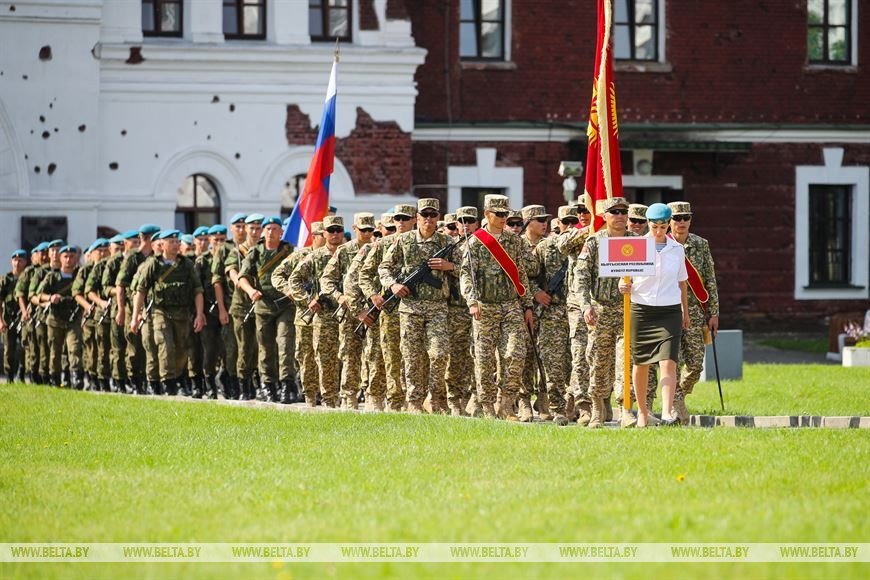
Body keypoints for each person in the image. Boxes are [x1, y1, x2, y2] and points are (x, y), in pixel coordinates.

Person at [460, 194, 534, 420]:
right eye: (499, 214)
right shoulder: (475, 242)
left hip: (511, 305)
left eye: (506, 215)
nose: (503, 219)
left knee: (515, 354)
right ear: (486, 215)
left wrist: (527, 304)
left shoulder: (515, 241)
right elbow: (466, 275)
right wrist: (472, 301)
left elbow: (521, 273)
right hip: (485, 306)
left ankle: (506, 403)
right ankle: (487, 405)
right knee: (484, 359)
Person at [379, 199, 455, 414]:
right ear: (417, 217)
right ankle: (413, 401)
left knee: (439, 353)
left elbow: (467, 269)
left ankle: (433, 395)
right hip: (410, 307)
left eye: (433, 215)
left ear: (438, 217)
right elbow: (384, 267)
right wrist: (393, 285)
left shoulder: (445, 242)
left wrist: (449, 266)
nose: (428, 219)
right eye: (425, 215)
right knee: (412, 356)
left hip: (437, 307)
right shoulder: (403, 241)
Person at [618, 203, 689, 427]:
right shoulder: (635, 246)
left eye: (662, 226)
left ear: (669, 224)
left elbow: (682, 282)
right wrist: (622, 285)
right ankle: (642, 412)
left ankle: (668, 412)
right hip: (642, 308)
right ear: (648, 224)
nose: (658, 231)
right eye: (654, 226)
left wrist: (685, 312)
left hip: (669, 310)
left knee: (669, 361)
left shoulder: (677, 249)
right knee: (641, 363)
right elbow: (623, 277)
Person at [668, 201, 720, 425]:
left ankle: (677, 395)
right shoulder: (662, 244)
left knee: (696, 364)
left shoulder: (701, 244)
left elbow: (710, 279)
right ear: (669, 221)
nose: (681, 222)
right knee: (673, 361)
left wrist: (714, 312)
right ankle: (674, 404)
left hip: (696, 311)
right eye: (676, 218)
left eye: (685, 217)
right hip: (669, 309)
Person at [237, 216, 295, 403]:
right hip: (263, 307)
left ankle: (286, 385)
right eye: (268, 228)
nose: (271, 232)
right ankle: (269, 386)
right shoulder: (255, 252)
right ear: (264, 232)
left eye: (275, 229)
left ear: (281, 232)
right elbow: (242, 277)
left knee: (285, 344)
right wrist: (251, 290)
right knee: (265, 348)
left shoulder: (289, 251)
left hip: (285, 305)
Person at [0, 249, 28, 382]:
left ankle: (21, 373)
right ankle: (9, 375)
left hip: (23, 319)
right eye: (15, 260)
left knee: (24, 346)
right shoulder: (6, 280)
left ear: (25, 262)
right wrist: (0, 321)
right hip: (9, 319)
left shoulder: (28, 278)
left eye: (20, 260)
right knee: (8, 349)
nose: (17, 263)